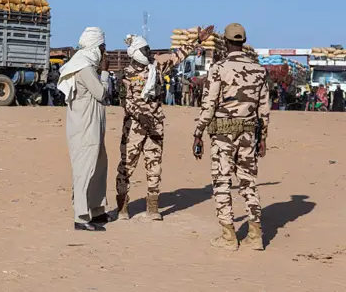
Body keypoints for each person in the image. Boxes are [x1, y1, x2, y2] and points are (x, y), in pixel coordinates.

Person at [116, 26, 214, 220]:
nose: (149, 52)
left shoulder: (157, 66)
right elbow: (125, 102)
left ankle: (153, 208)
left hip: (155, 126)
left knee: (154, 166)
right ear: (135, 52)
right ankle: (122, 207)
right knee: (126, 166)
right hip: (134, 127)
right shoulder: (126, 74)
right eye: (145, 50)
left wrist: (197, 40)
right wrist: (142, 118)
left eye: (149, 49)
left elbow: (178, 55)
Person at [193, 23, 270, 251]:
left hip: (223, 133)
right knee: (248, 182)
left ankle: (228, 236)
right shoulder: (259, 70)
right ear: (243, 42)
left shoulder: (219, 68)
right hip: (248, 132)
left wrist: (198, 133)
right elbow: (264, 108)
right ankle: (255, 235)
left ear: (225, 42)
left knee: (222, 181)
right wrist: (263, 137)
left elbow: (208, 104)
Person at [58, 27, 110, 231]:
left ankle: (96, 210)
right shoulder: (84, 68)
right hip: (85, 127)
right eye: (102, 47)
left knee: (99, 167)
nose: (104, 52)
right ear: (95, 47)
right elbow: (101, 93)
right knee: (85, 169)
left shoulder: (84, 65)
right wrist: (104, 72)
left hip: (92, 126)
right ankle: (81, 216)